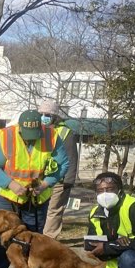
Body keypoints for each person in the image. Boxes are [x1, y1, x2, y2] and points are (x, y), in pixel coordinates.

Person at [0, 109, 69, 268]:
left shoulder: (51, 137)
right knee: (1, 234)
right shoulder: (6, 137)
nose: (31, 139)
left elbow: (62, 164)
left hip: (36, 194)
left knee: (33, 237)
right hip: (6, 193)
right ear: (20, 128)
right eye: (27, 134)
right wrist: (10, 184)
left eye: (35, 134)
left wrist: (46, 184)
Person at [39, 100, 79, 239]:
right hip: (40, 178)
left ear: (55, 116)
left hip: (59, 179)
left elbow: (71, 156)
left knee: (54, 210)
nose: (43, 117)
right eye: (41, 114)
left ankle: (48, 239)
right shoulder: (37, 130)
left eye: (47, 115)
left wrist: (68, 180)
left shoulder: (65, 132)